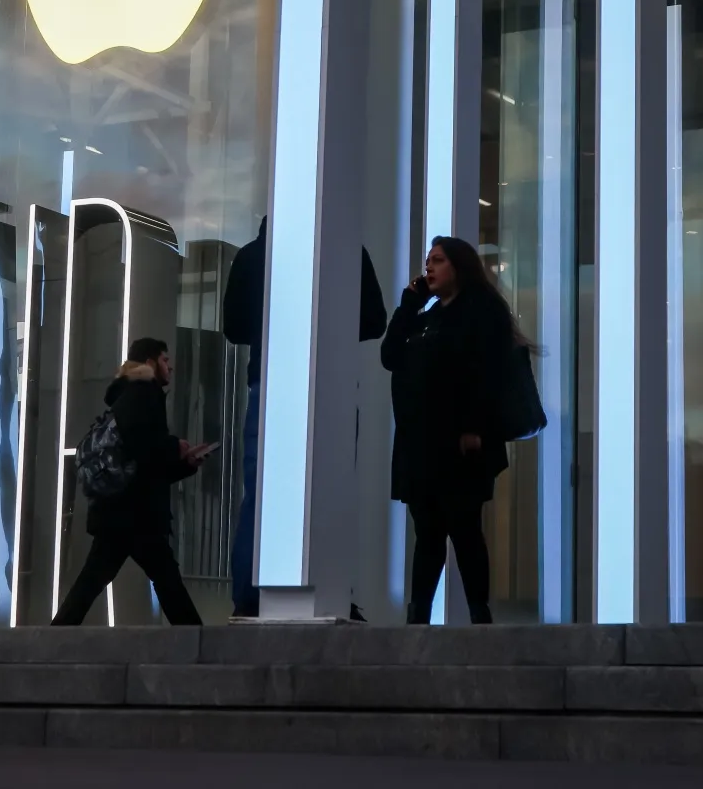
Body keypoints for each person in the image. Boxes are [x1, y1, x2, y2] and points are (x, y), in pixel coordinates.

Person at [220, 217, 387, 617]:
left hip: (270, 382)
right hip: (332, 384)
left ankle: (249, 596)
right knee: (329, 490)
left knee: (259, 496)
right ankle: (328, 590)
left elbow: (234, 327)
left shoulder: (251, 255)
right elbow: (374, 321)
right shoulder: (346, 252)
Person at [382, 235, 516, 625]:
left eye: (437, 261)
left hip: (461, 444)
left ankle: (479, 613)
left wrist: (476, 427)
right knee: (427, 533)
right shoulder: (425, 318)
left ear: (459, 266)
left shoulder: (482, 313)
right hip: (420, 444)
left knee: (463, 527)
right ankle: (418, 615)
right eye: (427, 262)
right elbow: (390, 356)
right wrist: (410, 304)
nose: (429, 268)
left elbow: (491, 375)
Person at [53, 337, 208, 627]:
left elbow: (144, 463)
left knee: (94, 582)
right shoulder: (142, 394)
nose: (170, 366)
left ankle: (53, 637)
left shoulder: (128, 394)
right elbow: (145, 450)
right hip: (134, 513)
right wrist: (176, 448)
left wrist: (184, 463)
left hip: (121, 510)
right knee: (165, 578)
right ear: (150, 363)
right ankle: (200, 645)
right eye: (165, 359)